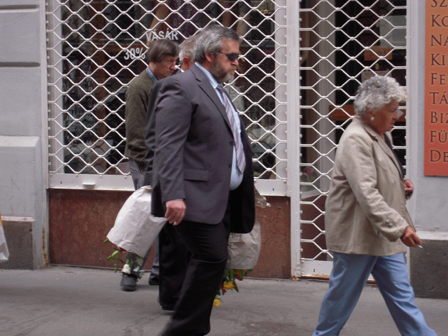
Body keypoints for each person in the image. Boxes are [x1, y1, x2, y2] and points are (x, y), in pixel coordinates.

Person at [312, 76, 437, 336]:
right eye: (392, 110)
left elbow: (378, 180)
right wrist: (400, 227)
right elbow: (366, 192)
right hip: (358, 237)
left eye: (397, 109)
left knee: (404, 301)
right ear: (370, 112)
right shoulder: (356, 139)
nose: (397, 115)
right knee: (340, 302)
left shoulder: (379, 134)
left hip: (383, 236)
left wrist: (400, 186)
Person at [151, 25, 255, 335]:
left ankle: (192, 328)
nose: (238, 63)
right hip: (194, 196)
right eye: (232, 57)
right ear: (210, 56)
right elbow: (167, 145)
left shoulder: (217, 89)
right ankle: (181, 329)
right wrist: (172, 194)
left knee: (212, 261)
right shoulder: (181, 86)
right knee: (211, 257)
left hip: (221, 196)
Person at [143, 34, 199, 311]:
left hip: (199, 181)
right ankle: (172, 297)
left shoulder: (214, 90)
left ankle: (189, 294)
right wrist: (154, 177)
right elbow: (154, 137)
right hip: (171, 176)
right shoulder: (165, 87)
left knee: (192, 242)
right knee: (172, 240)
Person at [122, 39, 179, 292]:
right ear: (153, 61)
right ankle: (131, 271)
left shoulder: (169, 83)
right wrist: (149, 166)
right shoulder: (139, 87)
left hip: (163, 160)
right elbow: (136, 131)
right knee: (146, 215)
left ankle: (158, 272)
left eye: (175, 62)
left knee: (163, 216)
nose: (173, 67)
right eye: (169, 62)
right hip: (145, 160)